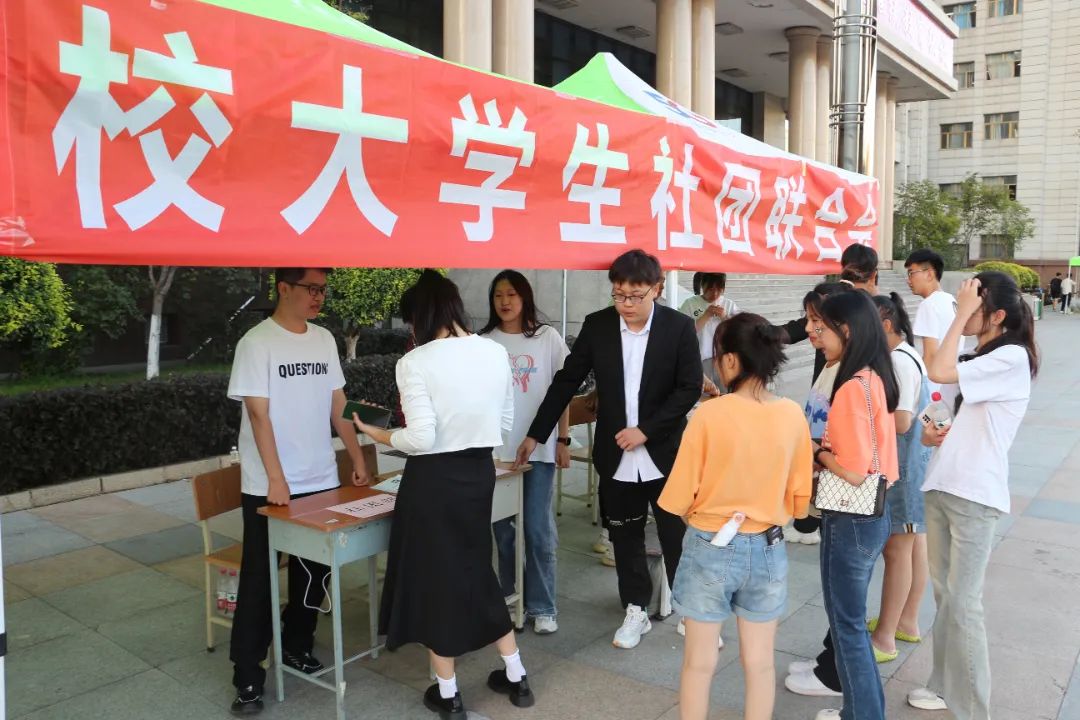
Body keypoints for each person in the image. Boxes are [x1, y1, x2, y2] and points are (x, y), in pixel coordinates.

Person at [353, 270, 534, 718]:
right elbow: (505, 421)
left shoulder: (415, 361)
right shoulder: (494, 351)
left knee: (436, 582)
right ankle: (517, 676)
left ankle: (449, 694)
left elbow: (420, 437)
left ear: (420, 315)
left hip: (433, 482)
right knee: (476, 569)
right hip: (479, 474)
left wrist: (377, 433)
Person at [517, 249, 702, 650]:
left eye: (635, 295)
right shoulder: (598, 325)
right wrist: (537, 434)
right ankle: (636, 608)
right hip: (616, 455)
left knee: (675, 533)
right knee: (624, 534)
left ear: (656, 288)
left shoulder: (678, 328)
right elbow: (567, 381)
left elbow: (689, 388)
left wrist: (646, 431)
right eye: (619, 295)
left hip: (664, 452)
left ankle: (690, 609)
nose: (626, 304)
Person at [226, 267, 372, 716]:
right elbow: (258, 415)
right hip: (270, 485)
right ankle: (248, 674)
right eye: (311, 288)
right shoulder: (256, 343)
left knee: (313, 573)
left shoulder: (324, 339)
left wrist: (356, 456)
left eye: (323, 289)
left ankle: (295, 644)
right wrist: (275, 476)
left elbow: (338, 403)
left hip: (320, 478)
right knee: (259, 579)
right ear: (284, 288)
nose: (319, 296)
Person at [659, 313, 813, 720]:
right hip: (768, 546)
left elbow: (679, 495)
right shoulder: (791, 414)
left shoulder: (709, 415)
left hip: (710, 542)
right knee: (760, 663)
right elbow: (800, 500)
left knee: (699, 663)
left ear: (730, 361)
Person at [907, 271, 1038, 717]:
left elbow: (939, 369)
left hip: (975, 494)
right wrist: (929, 432)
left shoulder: (1012, 358)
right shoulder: (974, 354)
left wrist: (958, 313)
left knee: (964, 605)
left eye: (973, 306)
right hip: (942, 483)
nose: (963, 312)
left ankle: (973, 710)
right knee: (947, 600)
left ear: (997, 316)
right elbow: (939, 399)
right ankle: (943, 686)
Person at [791, 291, 900, 720]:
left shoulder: (853, 387)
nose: (815, 335)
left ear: (848, 331)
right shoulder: (873, 377)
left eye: (822, 327)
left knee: (847, 626)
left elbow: (853, 471)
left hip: (850, 514)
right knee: (850, 624)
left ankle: (862, 714)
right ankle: (862, 709)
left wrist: (816, 451)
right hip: (872, 513)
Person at [479, 270, 571, 635]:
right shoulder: (483, 342)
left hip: (540, 451)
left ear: (525, 297)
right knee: (503, 533)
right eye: (498, 295)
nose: (504, 301)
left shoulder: (547, 338)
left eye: (512, 294)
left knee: (537, 529)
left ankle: (543, 606)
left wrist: (563, 440)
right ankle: (510, 597)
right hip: (497, 454)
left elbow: (562, 392)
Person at [868, 294, 932, 662]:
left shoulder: (897, 361)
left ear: (887, 325)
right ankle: (906, 622)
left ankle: (885, 639)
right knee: (911, 545)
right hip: (912, 466)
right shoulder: (908, 354)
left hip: (904, 470)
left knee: (897, 551)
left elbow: (903, 421)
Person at [904, 248, 966, 385]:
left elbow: (930, 356)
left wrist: (921, 386)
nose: (908, 280)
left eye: (911, 273)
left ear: (929, 274)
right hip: (950, 380)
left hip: (934, 385)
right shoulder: (951, 300)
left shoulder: (929, 304)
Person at [678, 272, 741, 390]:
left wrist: (725, 317)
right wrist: (706, 315)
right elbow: (684, 332)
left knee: (725, 392)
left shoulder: (729, 305)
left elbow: (738, 331)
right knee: (703, 392)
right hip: (700, 358)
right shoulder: (690, 304)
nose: (715, 294)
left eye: (719, 290)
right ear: (703, 285)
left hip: (723, 358)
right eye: (711, 289)